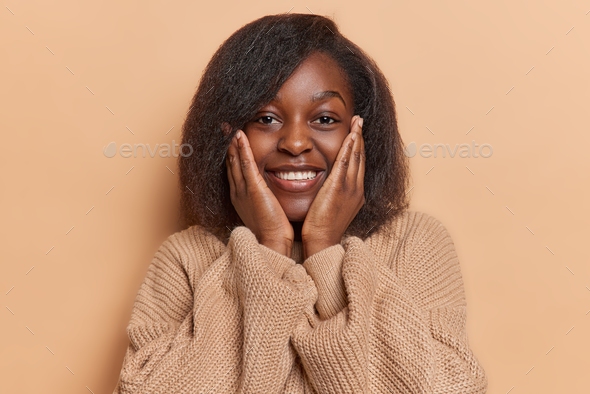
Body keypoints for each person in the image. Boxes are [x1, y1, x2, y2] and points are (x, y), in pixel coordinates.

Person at [112, 12, 488, 394]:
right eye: (266, 118)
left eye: (324, 118)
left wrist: (324, 249)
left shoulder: (415, 244)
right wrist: (268, 248)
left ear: (359, 134)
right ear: (229, 135)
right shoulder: (185, 257)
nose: (294, 142)